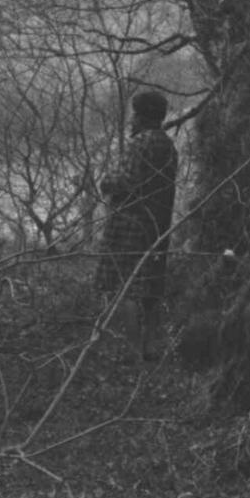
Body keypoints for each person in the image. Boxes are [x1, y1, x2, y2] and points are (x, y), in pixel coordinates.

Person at [99, 88, 179, 360]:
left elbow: (124, 181)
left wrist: (106, 181)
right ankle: (151, 346)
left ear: (143, 117)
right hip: (158, 223)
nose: (131, 119)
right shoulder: (168, 145)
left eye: (135, 114)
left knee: (126, 287)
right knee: (151, 287)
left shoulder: (140, 142)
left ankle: (133, 351)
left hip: (130, 223)